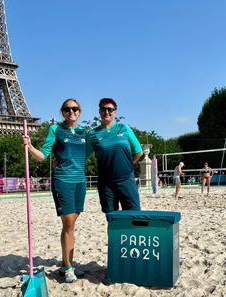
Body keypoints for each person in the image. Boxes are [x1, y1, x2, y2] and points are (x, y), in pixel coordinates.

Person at [22, 98, 88, 283]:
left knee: (72, 224)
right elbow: (43, 155)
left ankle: (68, 263)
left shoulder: (84, 132)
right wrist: (29, 146)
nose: (71, 112)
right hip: (63, 181)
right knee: (68, 223)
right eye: (67, 109)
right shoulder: (55, 129)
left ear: (79, 111)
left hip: (80, 182)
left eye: (75, 109)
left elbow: (88, 152)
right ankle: (67, 268)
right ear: (62, 112)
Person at [87, 98, 143, 214]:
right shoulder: (92, 134)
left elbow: (139, 152)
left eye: (110, 109)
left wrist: (128, 165)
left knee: (133, 216)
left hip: (127, 180)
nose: (107, 112)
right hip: (106, 184)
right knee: (112, 219)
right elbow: (82, 155)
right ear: (99, 111)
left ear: (115, 112)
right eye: (103, 109)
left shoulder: (124, 128)